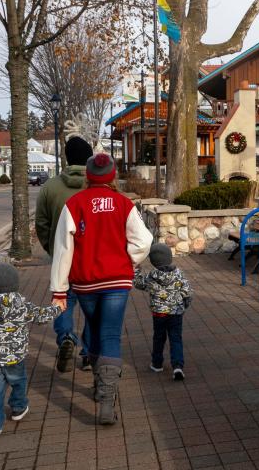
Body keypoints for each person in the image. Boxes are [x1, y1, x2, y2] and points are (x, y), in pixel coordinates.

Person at [50, 152, 152, 425]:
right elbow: (143, 240)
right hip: (116, 281)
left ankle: (99, 386)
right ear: (112, 175)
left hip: (85, 282)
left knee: (94, 330)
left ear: (88, 175)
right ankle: (106, 401)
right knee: (109, 335)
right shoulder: (122, 204)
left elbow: (63, 250)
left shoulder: (75, 204)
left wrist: (59, 290)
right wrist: (128, 259)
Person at [0, 262, 61, 438]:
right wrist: (58, 308)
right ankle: (18, 408)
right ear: (16, 284)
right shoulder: (22, 305)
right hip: (15, 356)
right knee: (18, 381)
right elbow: (41, 316)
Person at [35, 136, 95, 373]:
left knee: (62, 302)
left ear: (67, 158)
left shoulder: (50, 187)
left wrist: (52, 248)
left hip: (63, 259)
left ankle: (66, 338)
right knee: (93, 309)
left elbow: (42, 223)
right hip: (92, 260)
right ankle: (89, 352)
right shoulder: (96, 186)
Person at [133, 243, 192, 381]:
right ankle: (177, 366)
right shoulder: (179, 274)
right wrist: (184, 306)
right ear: (170, 257)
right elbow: (188, 292)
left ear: (153, 261)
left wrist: (136, 270)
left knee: (159, 337)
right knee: (176, 338)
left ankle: (157, 363)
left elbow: (138, 283)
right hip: (176, 313)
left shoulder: (151, 276)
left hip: (159, 314)